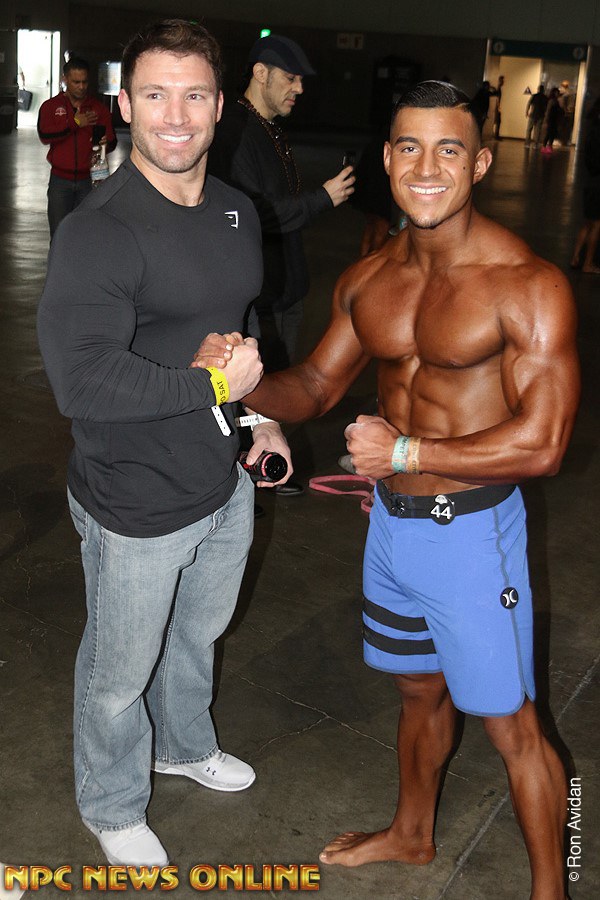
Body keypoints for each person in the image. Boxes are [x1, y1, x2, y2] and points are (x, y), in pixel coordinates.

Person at [195, 81, 580, 899]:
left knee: (512, 724)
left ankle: (554, 888)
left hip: (473, 534)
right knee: (417, 690)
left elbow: (544, 444)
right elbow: (315, 387)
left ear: (480, 163)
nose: (427, 168)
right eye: (410, 147)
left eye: (449, 149)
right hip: (394, 531)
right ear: (387, 158)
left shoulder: (528, 283)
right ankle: (411, 833)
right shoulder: (371, 278)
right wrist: (240, 383)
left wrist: (406, 449)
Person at [37, 18, 292, 868]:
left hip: (221, 480)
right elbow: (81, 383)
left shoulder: (236, 210)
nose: (175, 116)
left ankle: (181, 745)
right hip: (133, 497)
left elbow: (232, 326)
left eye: (193, 95)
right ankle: (111, 803)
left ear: (220, 106)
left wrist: (256, 416)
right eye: (155, 94)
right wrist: (215, 389)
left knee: (195, 637)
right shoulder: (100, 231)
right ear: (125, 105)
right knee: (119, 671)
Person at [208, 34, 355, 373]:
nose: (299, 89)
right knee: (265, 390)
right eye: (290, 78)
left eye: (300, 80)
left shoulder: (268, 128)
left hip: (286, 290)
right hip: (261, 302)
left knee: (283, 383)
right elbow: (253, 213)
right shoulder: (235, 132)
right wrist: (322, 199)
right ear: (261, 73)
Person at [37, 56, 116, 238]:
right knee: (59, 234)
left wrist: (106, 143)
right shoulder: (50, 106)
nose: (81, 86)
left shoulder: (98, 109)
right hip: (60, 181)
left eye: (85, 82)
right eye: (76, 82)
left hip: (89, 181)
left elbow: (112, 142)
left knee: (85, 234)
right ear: (65, 80)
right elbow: (44, 136)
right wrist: (75, 123)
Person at [571, 97, 600, 273]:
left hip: (590, 182)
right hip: (598, 184)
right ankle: (588, 263)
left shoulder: (592, 130)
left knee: (588, 223)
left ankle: (575, 257)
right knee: (596, 225)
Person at [541, 87, 564, 154]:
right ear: (554, 93)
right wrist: (546, 120)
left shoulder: (556, 101)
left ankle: (547, 146)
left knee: (551, 133)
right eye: (557, 92)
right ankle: (546, 147)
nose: (558, 94)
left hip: (554, 119)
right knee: (549, 133)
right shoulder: (552, 101)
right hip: (551, 119)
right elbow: (548, 111)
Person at [492, 74, 504, 139]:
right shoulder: (498, 88)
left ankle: (496, 134)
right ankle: (496, 135)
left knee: (498, 121)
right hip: (497, 107)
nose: (503, 82)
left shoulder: (498, 88)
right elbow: (497, 98)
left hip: (497, 107)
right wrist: (498, 107)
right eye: (502, 80)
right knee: (497, 121)